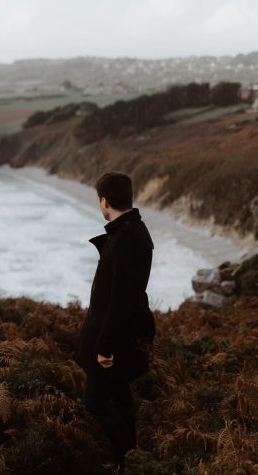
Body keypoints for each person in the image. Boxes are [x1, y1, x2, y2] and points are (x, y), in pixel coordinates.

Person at [73, 171, 156, 470]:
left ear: (104, 201)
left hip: (114, 336)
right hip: (121, 331)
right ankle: (131, 458)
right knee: (120, 394)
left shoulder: (126, 239)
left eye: (100, 200)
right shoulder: (132, 231)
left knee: (95, 400)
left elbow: (120, 299)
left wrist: (105, 346)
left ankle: (128, 457)